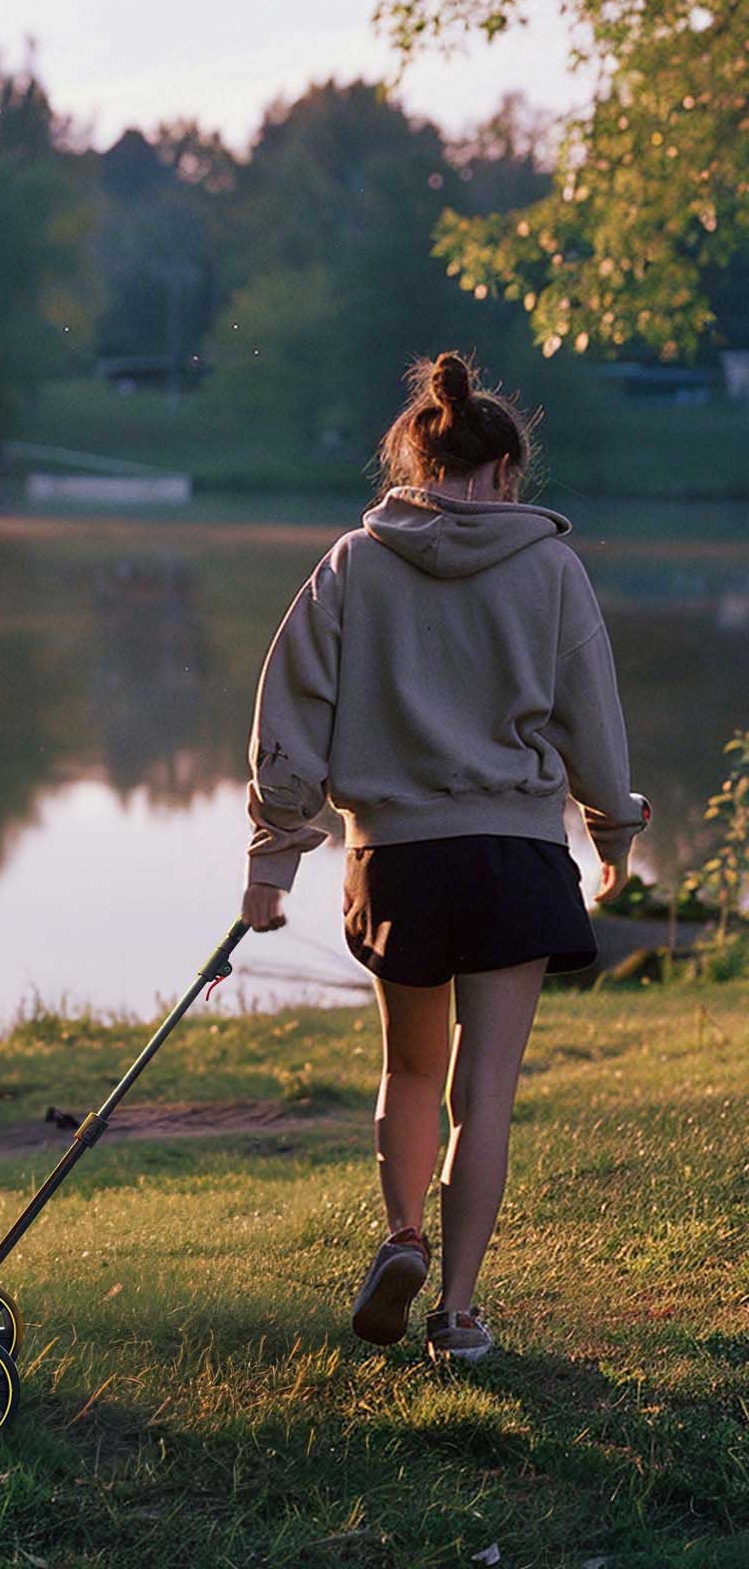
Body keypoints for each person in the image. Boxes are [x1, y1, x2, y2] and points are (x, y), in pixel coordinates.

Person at [239, 351, 648, 1364]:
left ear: (414, 464)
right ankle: (458, 1313)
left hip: (398, 859)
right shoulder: (551, 567)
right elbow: (589, 717)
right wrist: (611, 831)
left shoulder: (352, 561)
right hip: (513, 853)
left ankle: (402, 1237)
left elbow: (290, 710)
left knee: (410, 1072)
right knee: (486, 1092)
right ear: (505, 470)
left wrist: (271, 861)